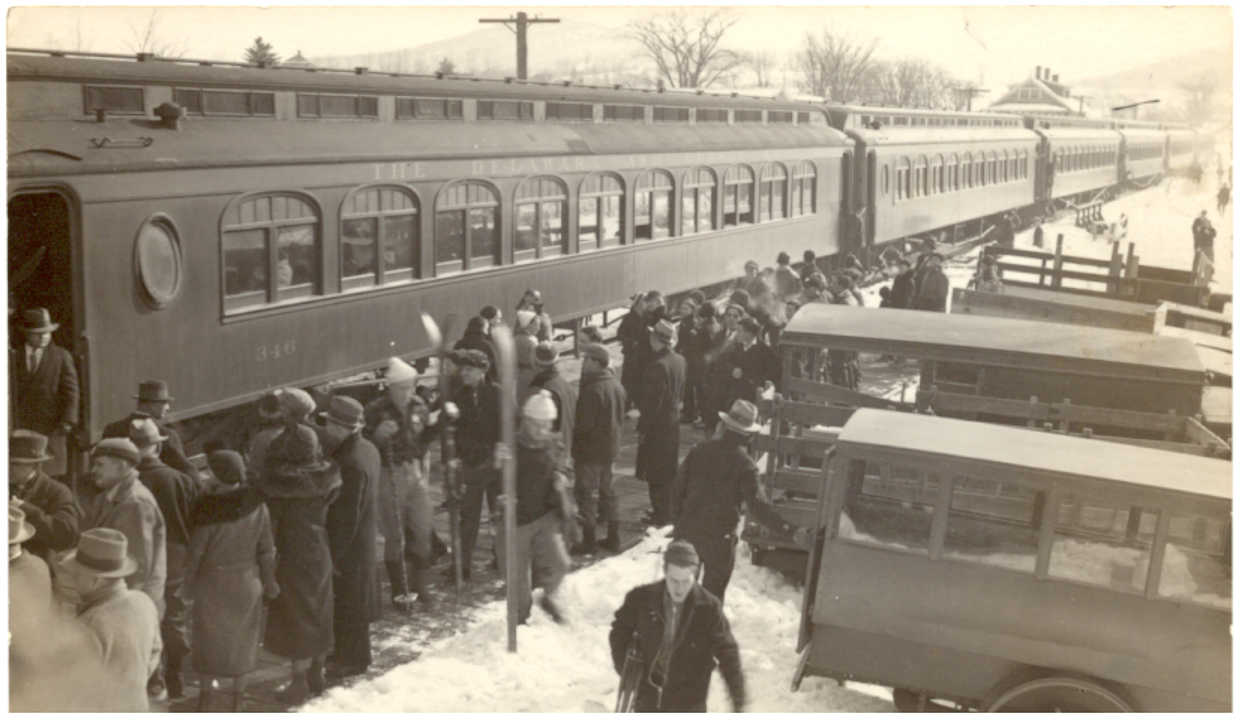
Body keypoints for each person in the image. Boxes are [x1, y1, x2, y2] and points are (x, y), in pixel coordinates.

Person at [672, 401, 798, 601]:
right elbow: (758, 507)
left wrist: (679, 526)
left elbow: (677, 490)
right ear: (748, 434)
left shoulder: (699, 450)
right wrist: (788, 528)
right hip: (719, 540)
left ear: (725, 425)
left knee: (680, 596)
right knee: (711, 600)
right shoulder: (746, 465)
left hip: (689, 533)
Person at [184, 451, 277, 712]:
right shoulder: (257, 505)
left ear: (219, 475)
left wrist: (187, 586)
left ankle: (206, 701)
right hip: (248, 583)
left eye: (210, 470)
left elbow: (195, 554)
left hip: (213, 583)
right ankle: (238, 701)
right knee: (242, 642)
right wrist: (270, 581)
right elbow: (267, 549)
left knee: (207, 640)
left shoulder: (209, 511)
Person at [257, 425, 341, 705]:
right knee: (319, 611)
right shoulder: (328, 478)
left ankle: (298, 681)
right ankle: (318, 672)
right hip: (319, 549)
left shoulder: (281, 486)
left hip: (291, 554)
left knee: (294, 616)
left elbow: (269, 498)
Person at [609, 540, 745, 712]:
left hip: (689, 702)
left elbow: (728, 655)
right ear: (665, 572)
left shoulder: (709, 608)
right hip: (647, 699)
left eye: (685, 581)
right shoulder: (641, 599)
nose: (679, 589)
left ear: (695, 575)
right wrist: (626, 670)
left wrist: (738, 702)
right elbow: (619, 631)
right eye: (674, 581)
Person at [130, 418, 199, 699]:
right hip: (175, 554)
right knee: (174, 615)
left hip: (138, 556)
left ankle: (151, 676)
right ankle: (176, 675)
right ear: (158, 447)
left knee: (142, 614)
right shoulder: (180, 479)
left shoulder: (130, 480)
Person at [60, 528, 163, 712]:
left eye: (78, 574)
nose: (73, 579)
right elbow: (155, 652)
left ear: (96, 581)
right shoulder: (144, 602)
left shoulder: (89, 624)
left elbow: (73, 691)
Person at [492, 391, 572, 624]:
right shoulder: (511, 446)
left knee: (560, 564)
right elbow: (483, 478)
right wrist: (496, 463)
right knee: (517, 581)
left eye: (545, 426)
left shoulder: (553, 442)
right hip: (515, 522)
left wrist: (563, 476)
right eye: (536, 425)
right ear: (525, 421)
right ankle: (520, 621)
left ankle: (547, 596)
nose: (540, 431)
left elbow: (566, 465)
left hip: (544, 517)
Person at [363, 357, 437, 610]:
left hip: (413, 469)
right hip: (387, 472)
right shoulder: (375, 410)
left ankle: (419, 585)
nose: (407, 393)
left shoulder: (418, 405)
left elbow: (424, 437)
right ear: (390, 387)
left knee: (422, 527)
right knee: (395, 535)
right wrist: (377, 436)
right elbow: (361, 446)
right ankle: (400, 592)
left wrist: (443, 424)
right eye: (402, 388)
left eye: (410, 386)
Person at [320, 397, 382, 678]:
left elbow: (345, 519)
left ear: (342, 427)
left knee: (349, 605)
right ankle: (348, 653)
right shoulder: (368, 449)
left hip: (350, 547)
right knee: (352, 602)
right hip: (362, 542)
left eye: (330, 424)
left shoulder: (349, 463)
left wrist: (332, 556)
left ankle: (354, 660)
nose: (327, 429)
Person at [80, 438, 166, 618]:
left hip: (131, 604)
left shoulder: (134, 503)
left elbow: (136, 566)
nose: (93, 471)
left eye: (99, 465)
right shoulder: (114, 496)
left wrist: (118, 608)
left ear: (120, 467)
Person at [447, 349, 500, 581]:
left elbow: (512, 423)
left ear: (482, 370)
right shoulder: (458, 396)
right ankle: (462, 566)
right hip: (470, 465)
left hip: (495, 464)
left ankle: (502, 557)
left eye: (470, 369)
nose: (464, 373)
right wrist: (455, 458)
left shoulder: (498, 393)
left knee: (499, 513)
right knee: (468, 517)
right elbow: (452, 431)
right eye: (463, 369)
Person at [571, 343, 626, 555]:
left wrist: (573, 444)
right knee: (608, 492)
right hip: (610, 450)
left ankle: (589, 541)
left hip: (590, 452)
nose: (583, 364)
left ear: (596, 363)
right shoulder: (616, 385)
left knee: (585, 494)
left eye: (587, 360)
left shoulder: (593, 389)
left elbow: (584, 425)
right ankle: (614, 538)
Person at [13, 308, 78, 477]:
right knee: (23, 471)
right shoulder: (13, 356)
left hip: (52, 427)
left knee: (50, 471)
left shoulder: (61, 356)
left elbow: (71, 391)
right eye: (38, 333)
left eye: (47, 333)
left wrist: (68, 421)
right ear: (26, 334)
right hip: (22, 426)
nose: (44, 337)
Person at [636, 320, 686, 528]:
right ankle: (665, 511)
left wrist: (642, 429)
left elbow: (651, 405)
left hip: (657, 426)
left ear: (655, 339)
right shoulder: (680, 360)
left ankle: (662, 514)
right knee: (667, 469)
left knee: (654, 471)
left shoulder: (658, 366)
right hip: (673, 421)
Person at [101, 381, 197, 479]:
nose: (168, 407)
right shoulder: (166, 434)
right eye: (165, 403)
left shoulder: (111, 429)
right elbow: (188, 473)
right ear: (153, 405)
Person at [9, 430, 79, 563]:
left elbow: (66, 535)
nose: (7, 468)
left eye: (15, 464)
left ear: (36, 465)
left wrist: (25, 510)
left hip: (36, 567)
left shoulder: (56, 491)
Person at [248, 387, 316, 477]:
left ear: (287, 411)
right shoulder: (308, 433)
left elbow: (255, 470)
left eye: (281, 405)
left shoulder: (264, 438)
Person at [528, 342, 577, 458]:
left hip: (550, 455)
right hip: (565, 450)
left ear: (535, 363)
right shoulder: (566, 385)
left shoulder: (544, 392)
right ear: (557, 361)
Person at [730, 316, 781, 406]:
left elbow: (775, 372)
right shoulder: (736, 347)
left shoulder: (766, 351)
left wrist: (754, 382)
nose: (736, 334)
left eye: (739, 332)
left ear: (749, 334)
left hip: (755, 398)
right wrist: (733, 369)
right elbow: (727, 362)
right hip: (736, 395)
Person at [617, 292, 654, 410]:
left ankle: (638, 402)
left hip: (644, 354)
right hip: (632, 354)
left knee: (641, 378)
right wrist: (631, 342)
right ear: (638, 304)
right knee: (629, 379)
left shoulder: (648, 317)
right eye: (645, 302)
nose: (647, 304)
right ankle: (626, 404)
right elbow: (620, 335)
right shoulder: (628, 318)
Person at [454, 316, 499, 383]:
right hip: (481, 381)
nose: (487, 331)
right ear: (482, 329)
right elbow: (495, 366)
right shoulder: (486, 344)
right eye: (486, 328)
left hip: (462, 380)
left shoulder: (459, 344)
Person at [513, 309, 541, 398]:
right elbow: (534, 362)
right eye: (536, 325)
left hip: (518, 374)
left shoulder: (516, 338)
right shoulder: (532, 341)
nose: (538, 328)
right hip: (531, 375)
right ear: (527, 325)